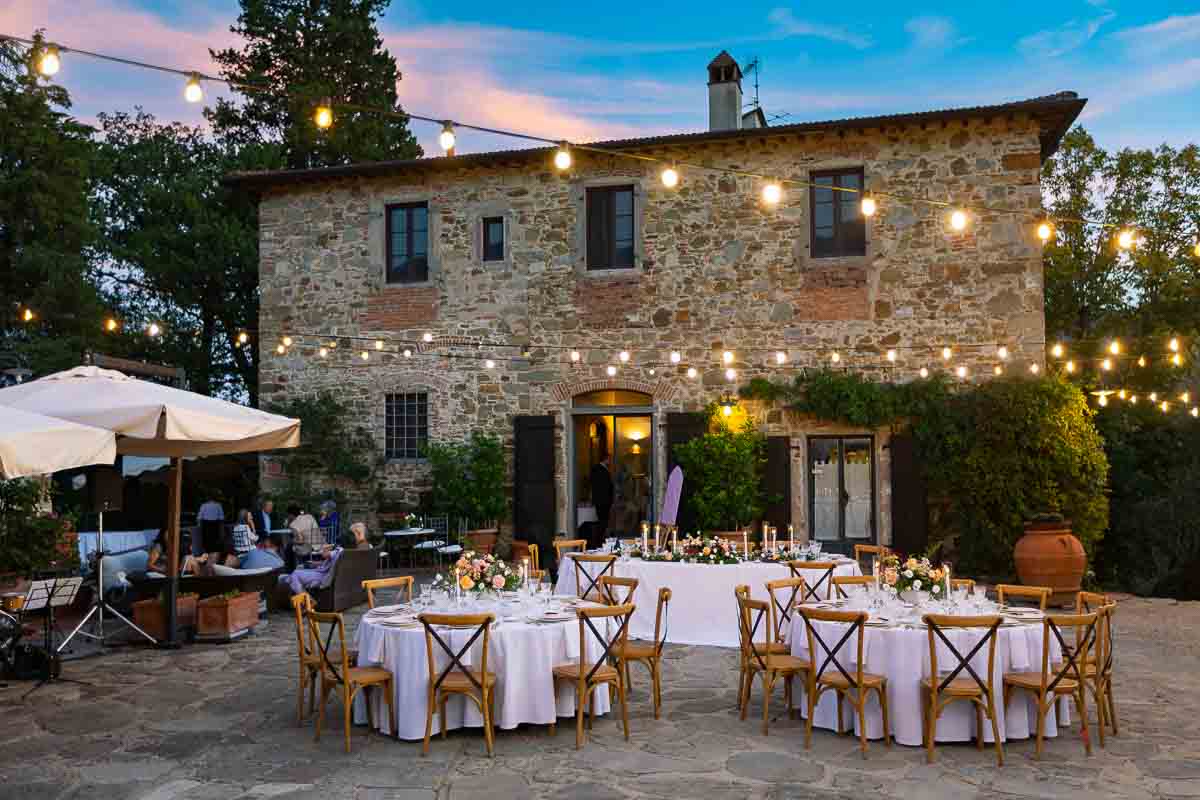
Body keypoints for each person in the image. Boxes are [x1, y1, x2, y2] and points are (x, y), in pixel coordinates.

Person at [279, 537, 344, 595]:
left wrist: (326, 547)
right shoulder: (343, 552)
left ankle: (306, 599)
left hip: (322, 576)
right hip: (321, 573)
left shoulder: (338, 550)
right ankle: (303, 595)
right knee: (295, 574)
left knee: (295, 574)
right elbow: (327, 563)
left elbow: (325, 555)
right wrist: (313, 563)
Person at [589, 455, 614, 547]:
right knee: (602, 521)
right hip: (603, 500)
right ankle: (599, 542)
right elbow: (604, 486)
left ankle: (600, 541)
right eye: (609, 459)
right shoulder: (599, 469)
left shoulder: (596, 469)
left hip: (601, 500)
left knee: (602, 521)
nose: (610, 461)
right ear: (606, 459)